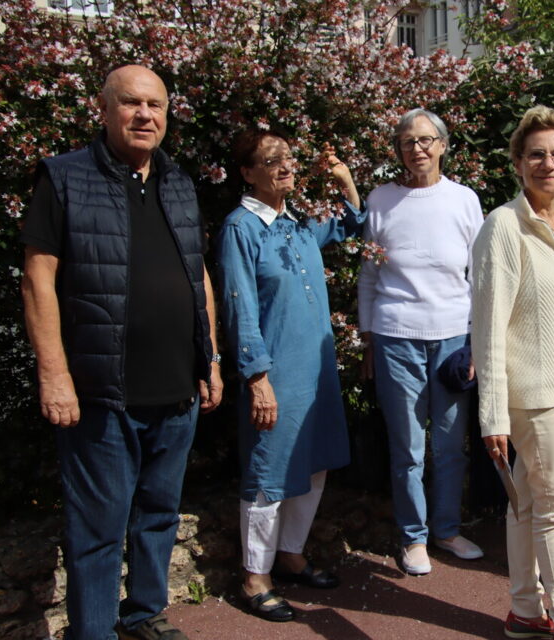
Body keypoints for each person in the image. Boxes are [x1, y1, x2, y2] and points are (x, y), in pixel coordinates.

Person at [20, 65, 223, 640]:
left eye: (155, 105)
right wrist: (54, 374)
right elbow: (38, 280)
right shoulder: (64, 179)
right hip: (101, 393)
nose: (145, 115)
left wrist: (208, 359)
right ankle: (93, 633)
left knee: (159, 514)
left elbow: (197, 275)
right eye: (131, 103)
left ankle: (144, 616)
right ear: (103, 110)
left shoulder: (179, 182)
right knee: (99, 529)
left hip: (177, 389)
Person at [217, 128, 365, 622]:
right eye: (271, 159)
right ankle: (255, 576)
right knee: (267, 473)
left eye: (290, 158)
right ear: (247, 173)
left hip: (317, 373)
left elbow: (348, 226)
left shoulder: (296, 225)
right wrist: (257, 378)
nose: (286, 166)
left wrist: (344, 180)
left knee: (315, 463)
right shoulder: (242, 227)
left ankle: (292, 555)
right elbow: (238, 307)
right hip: (277, 374)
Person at [473, 105, 554, 640]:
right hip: (529, 397)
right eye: (537, 154)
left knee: (525, 504)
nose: (549, 163)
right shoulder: (503, 226)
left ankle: (524, 612)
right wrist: (492, 414)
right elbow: (489, 326)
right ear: (518, 162)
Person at [358, 108, 484, 576]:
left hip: (452, 338)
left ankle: (446, 530)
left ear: (444, 144)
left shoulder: (465, 200)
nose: (418, 149)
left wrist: (476, 341)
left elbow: (480, 275)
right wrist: (368, 336)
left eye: (427, 140)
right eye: (409, 141)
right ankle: (413, 538)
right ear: (399, 149)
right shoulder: (380, 200)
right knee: (407, 446)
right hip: (395, 338)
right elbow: (369, 276)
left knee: (451, 445)